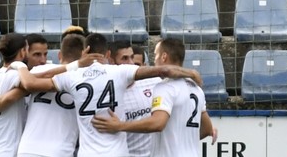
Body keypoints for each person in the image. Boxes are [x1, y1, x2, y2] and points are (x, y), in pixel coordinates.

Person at [17, 33, 201, 157]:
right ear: (107, 53)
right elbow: (165, 70)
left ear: (84, 52)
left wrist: (21, 67)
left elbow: (30, 83)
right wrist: (190, 73)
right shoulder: (120, 72)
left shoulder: (71, 77)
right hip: (116, 152)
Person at [91, 38, 216, 157]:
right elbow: (207, 129)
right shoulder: (196, 88)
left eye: (155, 54)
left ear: (164, 56)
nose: (154, 59)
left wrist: (119, 125)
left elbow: (158, 123)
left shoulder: (164, 87)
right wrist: (180, 139)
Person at [16, 32, 85, 157]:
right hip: (59, 151)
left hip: (27, 149)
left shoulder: (38, 70)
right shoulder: (85, 80)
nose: (42, 60)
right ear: (85, 55)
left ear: (59, 55)